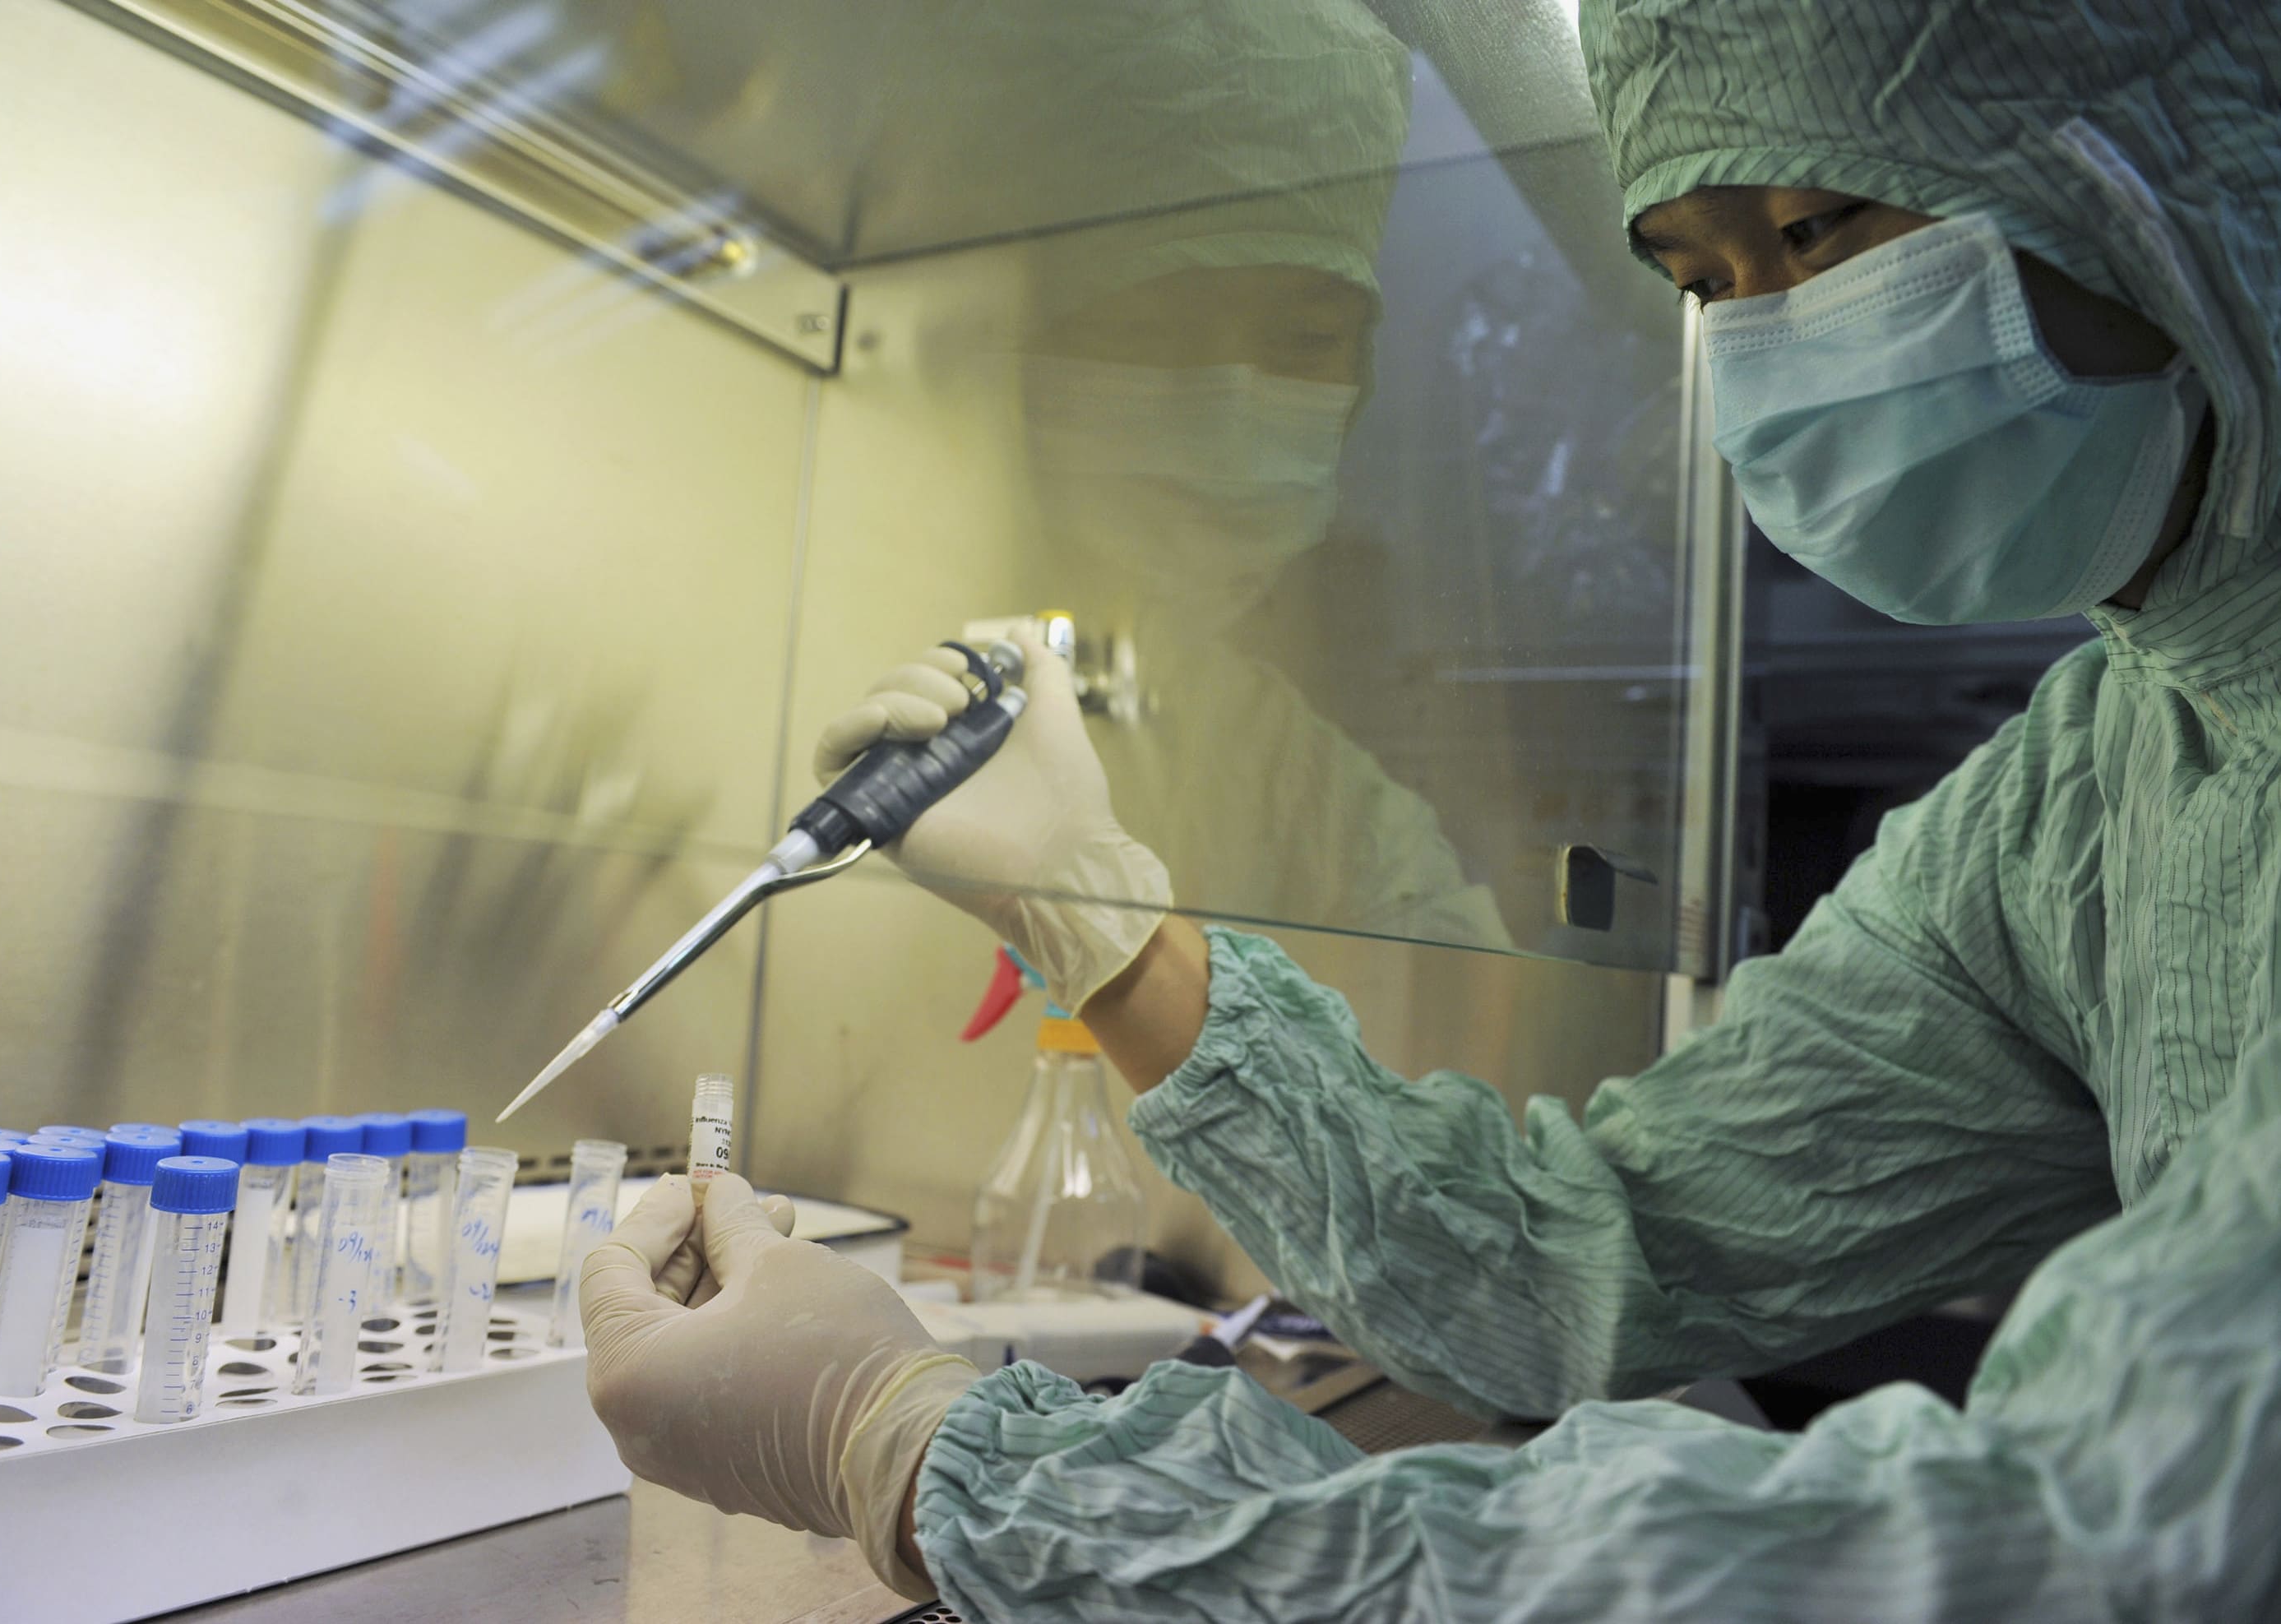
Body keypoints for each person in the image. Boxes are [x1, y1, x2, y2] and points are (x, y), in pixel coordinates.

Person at [580, 0, 2281, 1616]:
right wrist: (1094, 914)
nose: (1768, 344)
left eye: (1819, 229)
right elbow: (1583, 1258)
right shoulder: (2101, 782)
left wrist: (936, 1454)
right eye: (1701, 286)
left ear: (2152, 160)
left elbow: (2076, 1551)